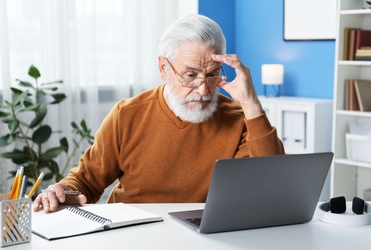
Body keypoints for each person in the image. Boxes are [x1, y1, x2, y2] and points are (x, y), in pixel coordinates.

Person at [33, 14, 285, 213]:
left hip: (202, 236)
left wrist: (251, 103)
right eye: (190, 75)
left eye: (212, 74)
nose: (203, 88)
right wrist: (61, 190)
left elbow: (271, 185)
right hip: (130, 234)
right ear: (163, 67)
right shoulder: (127, 114)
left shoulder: (241, 118)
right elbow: (87, 181)